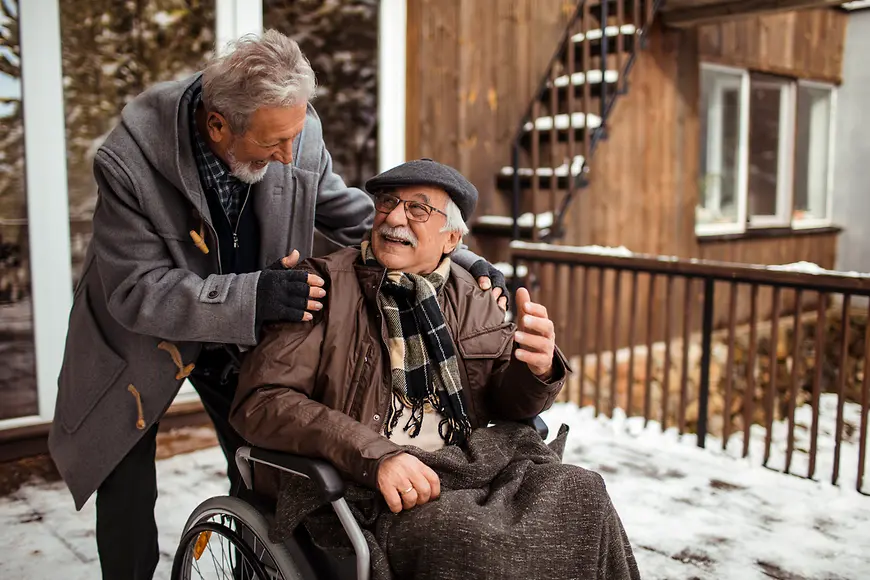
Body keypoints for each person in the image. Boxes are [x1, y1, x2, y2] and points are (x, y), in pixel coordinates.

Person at [48, 31, 507, 580]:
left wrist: (459, 254)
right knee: (125, 483)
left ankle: (251, 567)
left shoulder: (295, 127)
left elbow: (355, 215)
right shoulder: (130, 160)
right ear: (218, 125)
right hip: (141, 335)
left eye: (295, 137)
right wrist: (256, 293)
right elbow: (137, 290)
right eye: (273, 144)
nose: (290, 156)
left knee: (259, 457)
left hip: (241, 330)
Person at [231, 159, 641, 579]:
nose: (394, 218)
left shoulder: (474, 297)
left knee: (583, 492)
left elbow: (506, 401)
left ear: (451, 239)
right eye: (387, 202)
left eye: (418, 209)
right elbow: (262, 402)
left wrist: (535, 370)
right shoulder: (322, 286)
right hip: (363, 486)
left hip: (465, 467)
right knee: (471, 538)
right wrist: (376, 456)